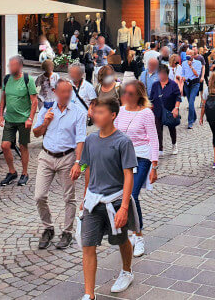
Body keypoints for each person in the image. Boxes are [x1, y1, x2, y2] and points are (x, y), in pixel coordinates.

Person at [78, 97, 138, 297]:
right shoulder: (90, 140)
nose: (96, 116)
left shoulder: (123, 142)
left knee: (121, 240)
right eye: (95, 112)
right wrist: (85, 195)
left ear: (112, 115)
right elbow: (87, 168)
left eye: (101, 112)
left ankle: (127, 271)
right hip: (93, 202)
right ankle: (89, 294)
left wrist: (124, 208)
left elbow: (128, 175)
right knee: (87, 245)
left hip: (116, 201)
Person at [33, 79, 86, 250]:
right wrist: (46, 122)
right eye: (63, 92)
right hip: (46, 155)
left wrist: (78, 163)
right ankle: (48, 228)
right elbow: (35, 133)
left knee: (69, 197)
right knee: (39, 196)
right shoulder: (47, 109)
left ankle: (67, 232)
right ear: (55, 92)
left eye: (69, 92)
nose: (67, 95)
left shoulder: (78, 112)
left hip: (67, 157)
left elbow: (80, 140)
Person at [114, 80, 158, 257]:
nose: (126, 96)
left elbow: (154, 139)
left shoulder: (146, 113)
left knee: (132, 196)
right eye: (125, 93)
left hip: (141, 156)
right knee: (122, 195)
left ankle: (138, 236)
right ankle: (130, 233)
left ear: (139, 95)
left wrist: (154, 165)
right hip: (123, 158)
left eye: (130, 93)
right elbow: (114, 133)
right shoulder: (121, 110)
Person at [0, 55, 38, 187]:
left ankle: (25, 173)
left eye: (13, 65)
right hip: (10, 118)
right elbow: (3, 98)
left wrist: (30, 118)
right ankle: (12, 171)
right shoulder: (7, 79)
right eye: (10, 65)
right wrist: (1, 115)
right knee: (5, 145)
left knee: (23, 146)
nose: (11, 67)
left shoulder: (28, 80)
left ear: (20, 66)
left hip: (23, 119)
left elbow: (34, 101)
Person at [149, 65, 181, 156]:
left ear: (167, 74)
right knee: (158, 130)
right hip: (157, 111)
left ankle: (174, 144)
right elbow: (151, 98)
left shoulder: (173, 84)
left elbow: (178, 97)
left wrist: (176, 108)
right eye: (159, 74)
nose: (161, 76)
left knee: (172, 128)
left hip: (170, 110)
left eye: (163, 73)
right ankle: (160, 149)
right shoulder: (155, 85)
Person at [181, 51, 203, 129]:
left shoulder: (198, 63)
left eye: (190, 54)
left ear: (193, 56)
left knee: (191, 102)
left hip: (195, 84)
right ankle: (194, 117)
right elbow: (182, 73)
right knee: (190, 101)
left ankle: (190, 122)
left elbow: (197, 74)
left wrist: (191, 66)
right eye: (187, 54)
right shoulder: (183, 63)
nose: (188, 56)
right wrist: (183, 77)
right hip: (187, 84)